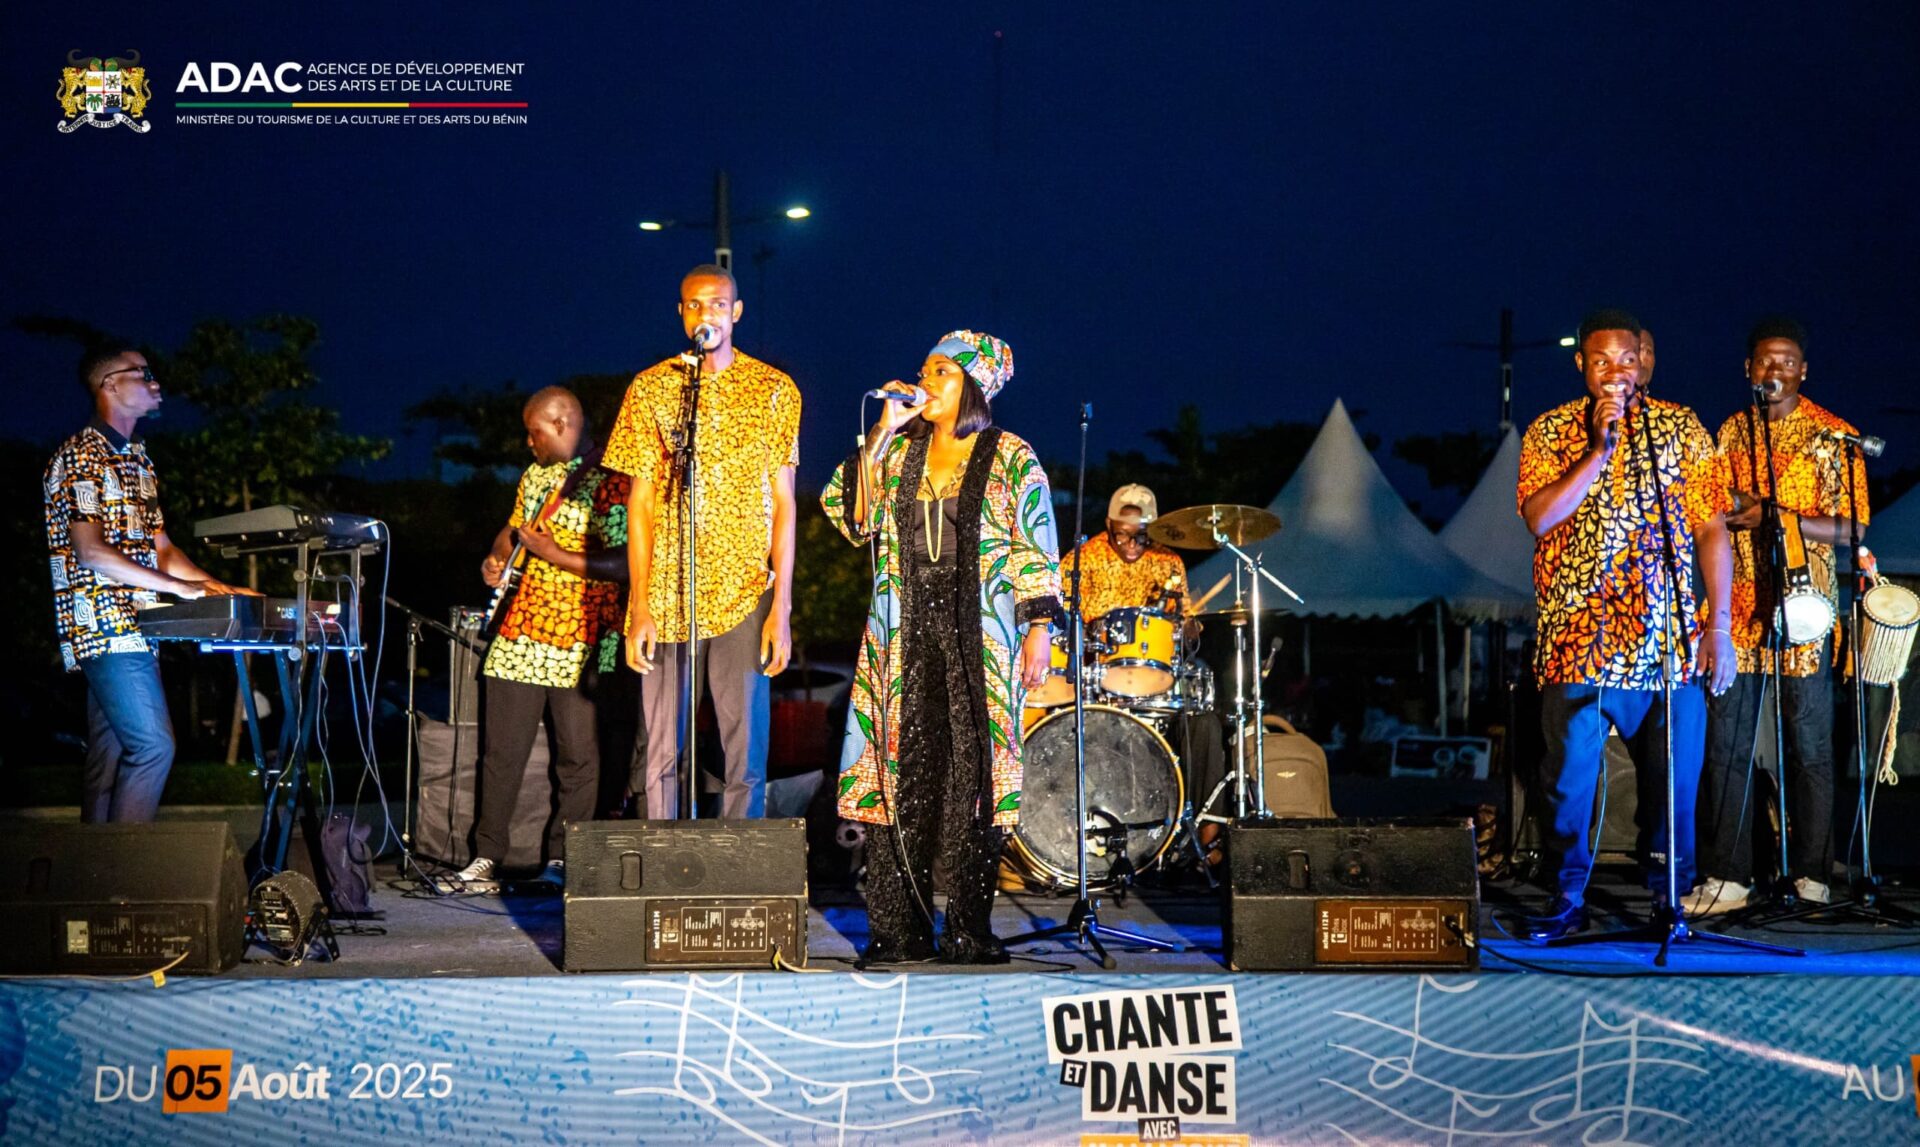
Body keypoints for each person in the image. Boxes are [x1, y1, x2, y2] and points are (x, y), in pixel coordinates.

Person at [822, 330, 1064, 964]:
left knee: (973, 775)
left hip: (979, 628)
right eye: (924, 370)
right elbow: (849, 518)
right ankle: (897, 930)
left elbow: (1034, 545)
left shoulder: (1010, 455)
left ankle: (967, 930)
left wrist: (1041, 627)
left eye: (940, 373)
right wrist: (880, 432)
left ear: (974, 387)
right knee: (899, 771)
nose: (924, 382)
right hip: (902, 629)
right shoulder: (897, 452)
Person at [1515, 309, 1737, 942]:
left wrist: (1716, 626)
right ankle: (1565, 895)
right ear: (1582, 365)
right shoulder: (1552, 429)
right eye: (1602, 360)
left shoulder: (1680, 427)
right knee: (1568, 782)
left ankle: (1669, 896)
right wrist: (1597, 451)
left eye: (1628, 359)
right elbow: (1539, 517)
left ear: (1645, 361)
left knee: (1675, 777)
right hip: (1576, 638)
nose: (1618, 371)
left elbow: (1711, 527)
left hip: (1664, 639)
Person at [1686, 317, 1868, 916]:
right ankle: (1727, 878)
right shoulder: (1731, 431)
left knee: (1808, 745)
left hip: (1805, 610)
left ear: (1803, 370)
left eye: (1787, 361)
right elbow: (1710, 510)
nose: (1776, 371)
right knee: (1727, 745)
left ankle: (1811, 877)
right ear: (1749, 369)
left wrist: (1773, 515)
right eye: (1766, 361)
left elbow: (1852, 526)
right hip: (1737, 609)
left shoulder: (1833, 435)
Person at [606, 264, 800, 819]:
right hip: (668, 588)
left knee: (745, 749)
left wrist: (780, 607)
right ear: (681, 312)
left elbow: (784, 502)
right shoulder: (653, 387)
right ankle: (664, 868)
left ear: (736, 312)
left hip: (743, 587)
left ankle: (744, 878)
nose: (706, 313)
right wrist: (638, 605)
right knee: (662, 748)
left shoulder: (774, 390)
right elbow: (639, 504)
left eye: (717, 304)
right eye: (695, 304)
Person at [44, 347, 252, 823]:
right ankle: (123, 878)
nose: (155, 382)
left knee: (109, 757)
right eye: (142, 373)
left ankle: (91, 878)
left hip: (138, 625)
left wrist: (221, 589)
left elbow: (162, 549)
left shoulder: (138, 461)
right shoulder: (82, 454)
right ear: (110, 385)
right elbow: (90, 551)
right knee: (154, 747)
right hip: (105, 625)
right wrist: (179, 590)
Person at [450, 388, 631, 889]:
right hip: (520, 635)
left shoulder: (613, 479)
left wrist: (553, 555)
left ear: (559, 422)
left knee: (578, 760)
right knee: (500, 755)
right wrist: (495, 556)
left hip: (584, 640)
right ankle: (486, 856)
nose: (528, 443)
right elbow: (513, 533)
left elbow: (624, 564)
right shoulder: (534, 478)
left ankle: (562, 859)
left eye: (533, 432)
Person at [1061, 484, 1188, 623]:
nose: (1132, 544)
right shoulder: (1082, 559)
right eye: (1122, 535)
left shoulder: (1169, 562)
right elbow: (1062, 619)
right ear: (1109, 525)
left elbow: (1184, 617)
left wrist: (1189, 625)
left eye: (1142, 535)